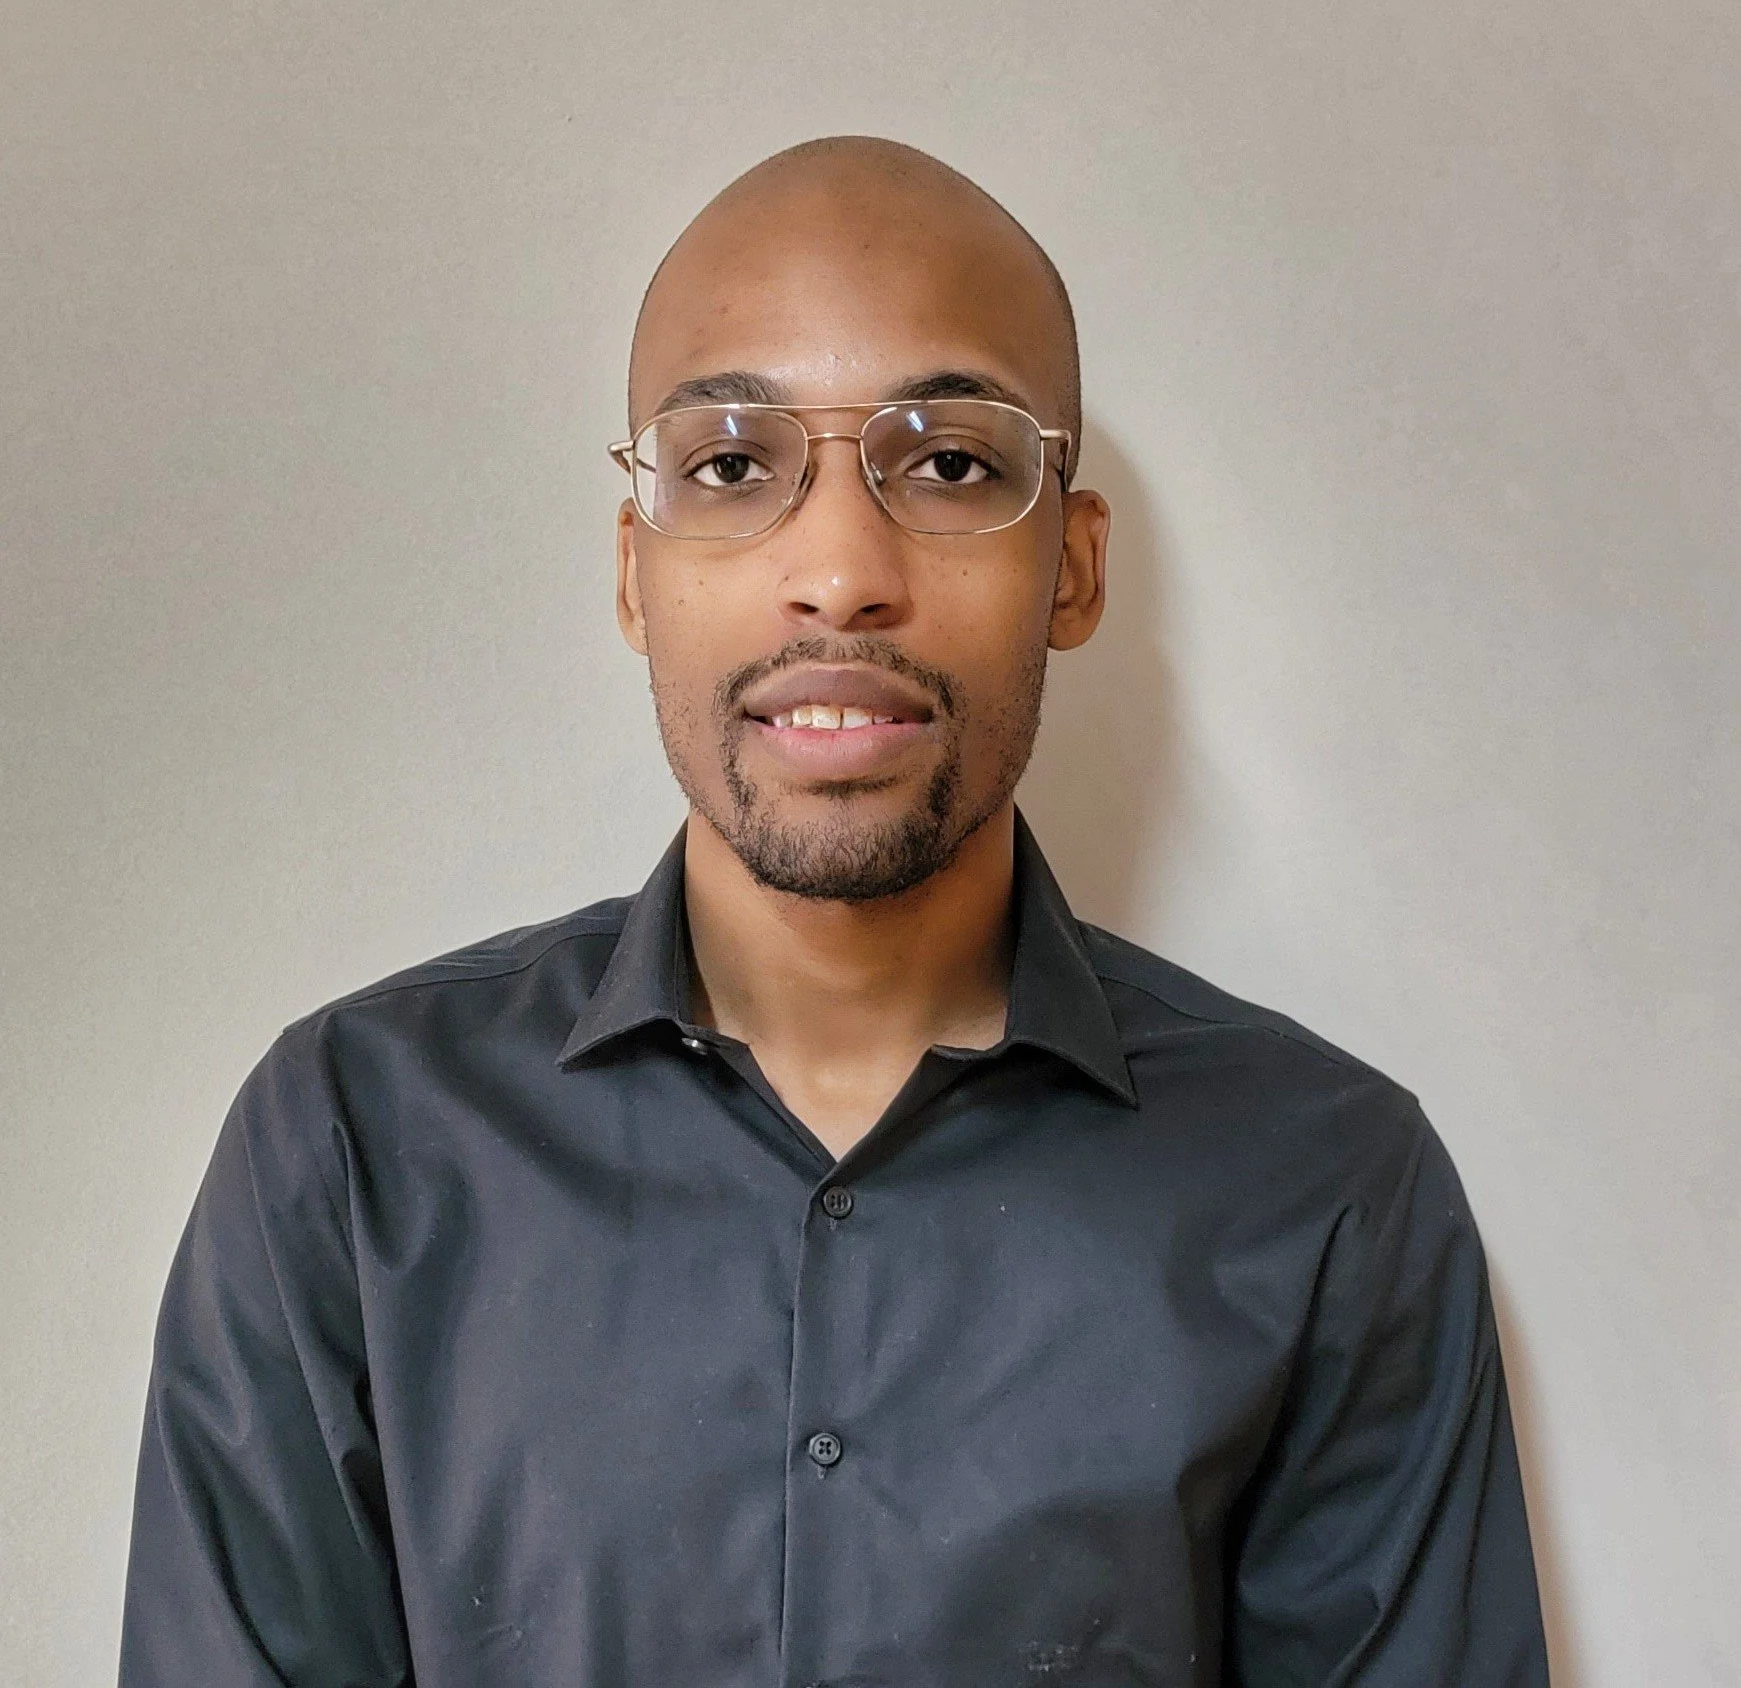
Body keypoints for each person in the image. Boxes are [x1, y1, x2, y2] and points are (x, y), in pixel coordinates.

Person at [120, 136, 1549, 1686]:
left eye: (950, 462)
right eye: (733, 463)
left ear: (1072, 568)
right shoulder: (348, 1151)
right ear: (634, 571)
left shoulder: (1331, 1189)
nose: (839, 572)